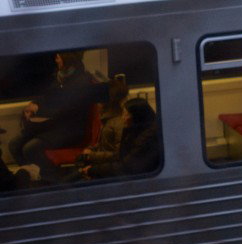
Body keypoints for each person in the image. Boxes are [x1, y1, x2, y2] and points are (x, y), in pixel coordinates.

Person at [8, 51, 98, 181]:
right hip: (54, 125)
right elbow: (48, 96)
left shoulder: (81, 82)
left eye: (58, 58)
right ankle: (33, 176)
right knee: (14, 145)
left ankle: (53, 179)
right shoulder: (61, 77)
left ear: (68, 58)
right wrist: (35, 105)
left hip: (70, 129)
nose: (56, 60)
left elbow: (65, 111)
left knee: (30, 148)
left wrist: (39, 117)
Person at [77, 98, 159, 180]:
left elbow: (126, 165)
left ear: (136, 116)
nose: (123, 118)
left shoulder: (146, 138)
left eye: (125, 114)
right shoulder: (136, 130)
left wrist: (93, 167)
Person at [76, 74, 128, 167]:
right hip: (102, 163)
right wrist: (91, 149)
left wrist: (91, 156)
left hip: (108, 167)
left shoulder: (118, 123)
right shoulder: (107, 120)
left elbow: (118, 154)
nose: (97, 103)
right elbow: (104, 144)